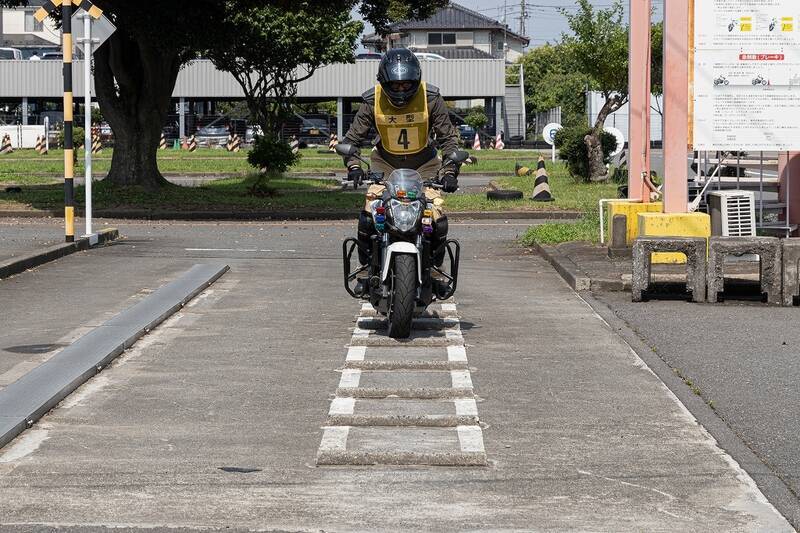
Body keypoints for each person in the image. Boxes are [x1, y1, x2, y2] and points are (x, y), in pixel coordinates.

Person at [342, 48, 461, 267]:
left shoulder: (431, 98)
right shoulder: (371, 100)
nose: (401, 90)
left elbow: (448, 140)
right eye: (395, 85)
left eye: (406, 84)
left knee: (436, 217)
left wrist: (450, 172)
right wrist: (354, 167)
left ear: (416, 79)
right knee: (369, 216)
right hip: (384, 164)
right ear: (383, 82)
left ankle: (435, 267)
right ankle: (365, 268)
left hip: (424, 164)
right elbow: (351, 141)